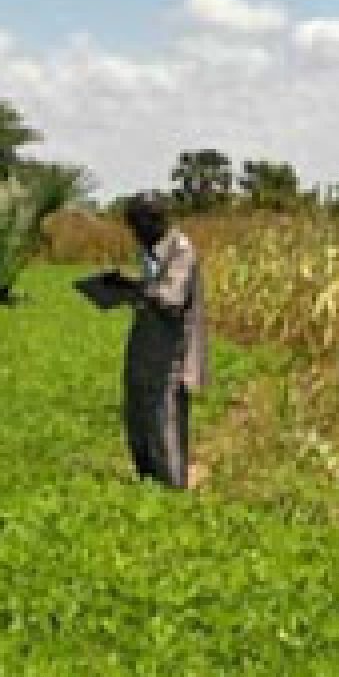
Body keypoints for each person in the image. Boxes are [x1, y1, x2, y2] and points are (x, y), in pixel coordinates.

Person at [109, 195, 208, 490]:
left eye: (138, 225)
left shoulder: (182, 250)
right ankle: (147, 480)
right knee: (139, 414)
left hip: (171, 353)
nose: (135, 233)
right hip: (146, 345)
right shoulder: (149, 250)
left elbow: (173, 298)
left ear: (156, 221)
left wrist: (137, 288)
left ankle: (172, 487)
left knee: (166, 419)